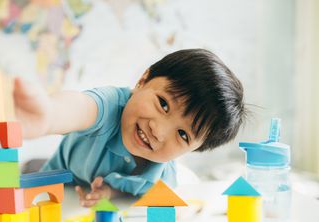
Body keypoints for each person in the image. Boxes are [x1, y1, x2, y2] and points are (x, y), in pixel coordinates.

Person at [13, 49, 246, 207]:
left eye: (183, 134)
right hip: (62, 172)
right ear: (143, 80)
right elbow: (81, 107)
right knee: (31, 174)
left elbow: (135, 190)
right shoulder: (112, 105)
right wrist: (49, 115)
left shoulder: (161, 178)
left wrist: (110, 192)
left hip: (89, 188)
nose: (159, 131)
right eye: (163, 104)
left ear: (193, 149)